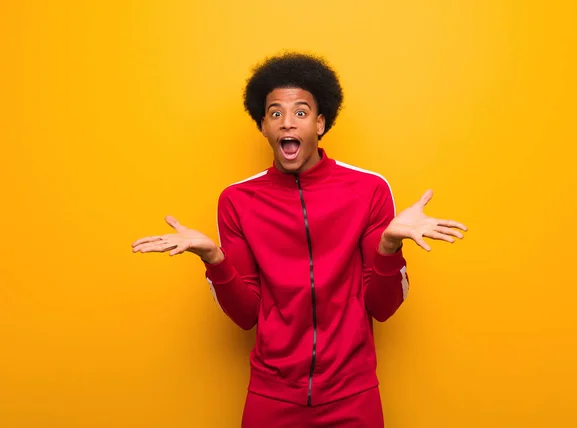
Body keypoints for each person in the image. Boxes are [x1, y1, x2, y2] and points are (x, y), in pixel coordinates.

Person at [132, 52, 467, 427]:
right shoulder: (237, 201)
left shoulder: (368, 189)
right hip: (271, 396)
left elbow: (383, 307)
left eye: (301, 113)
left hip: (352, 396)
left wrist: (389, 247)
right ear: (263, 125)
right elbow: (245, 316)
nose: (287, 122)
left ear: (320, 123)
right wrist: (214, 259)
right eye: (275, 113)